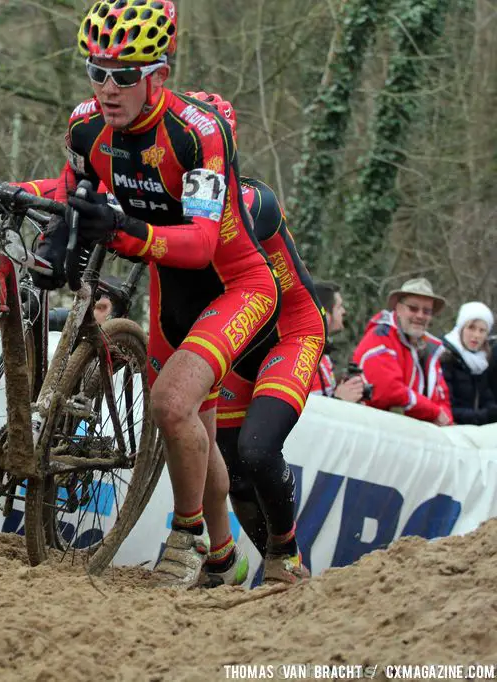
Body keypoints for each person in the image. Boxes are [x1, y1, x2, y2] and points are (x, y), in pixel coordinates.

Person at [39, 0, 283, 589]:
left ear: (158, 77)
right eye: (96, 70)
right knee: (189, 426)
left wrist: (121, 229)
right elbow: (74, 190)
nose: (107, 87)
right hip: (168, 290)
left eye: (124, 75)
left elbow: (201, 243)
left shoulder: (198, 133)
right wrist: (57, 240)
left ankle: (188, 533)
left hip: (235, 285)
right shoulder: (84, 125)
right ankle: (224, 557)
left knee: (170, 405)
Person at [192, 93, 322, 585]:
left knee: (258, 448)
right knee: (231, 465)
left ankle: (286, 555)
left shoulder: (251, 197)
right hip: (237, 342)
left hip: (290, 332)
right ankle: (259, 560)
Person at [352, 278, 453, 425]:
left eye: (426, 311)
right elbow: (388, 391)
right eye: (413, 308)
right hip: (377, 431)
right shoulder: (380, 337)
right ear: (398, 309)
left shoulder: (431, 349)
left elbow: (442, 399)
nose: (420, 315)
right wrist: (434, 412)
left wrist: (445, 418)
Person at [441, 302, 497, 425]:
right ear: (461, 328)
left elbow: (487, 398)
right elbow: (447, 407)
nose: (476, 335)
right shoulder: (445, 357)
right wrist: (485, 415)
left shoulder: (482, 361)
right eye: (471, 328)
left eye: (482, 330)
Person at [310, 281, 367, 402]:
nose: (344, 311)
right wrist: (340, 400)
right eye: (339, 306)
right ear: (325, 314)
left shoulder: (321, 350)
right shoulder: (304, 356)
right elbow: (305, 413)